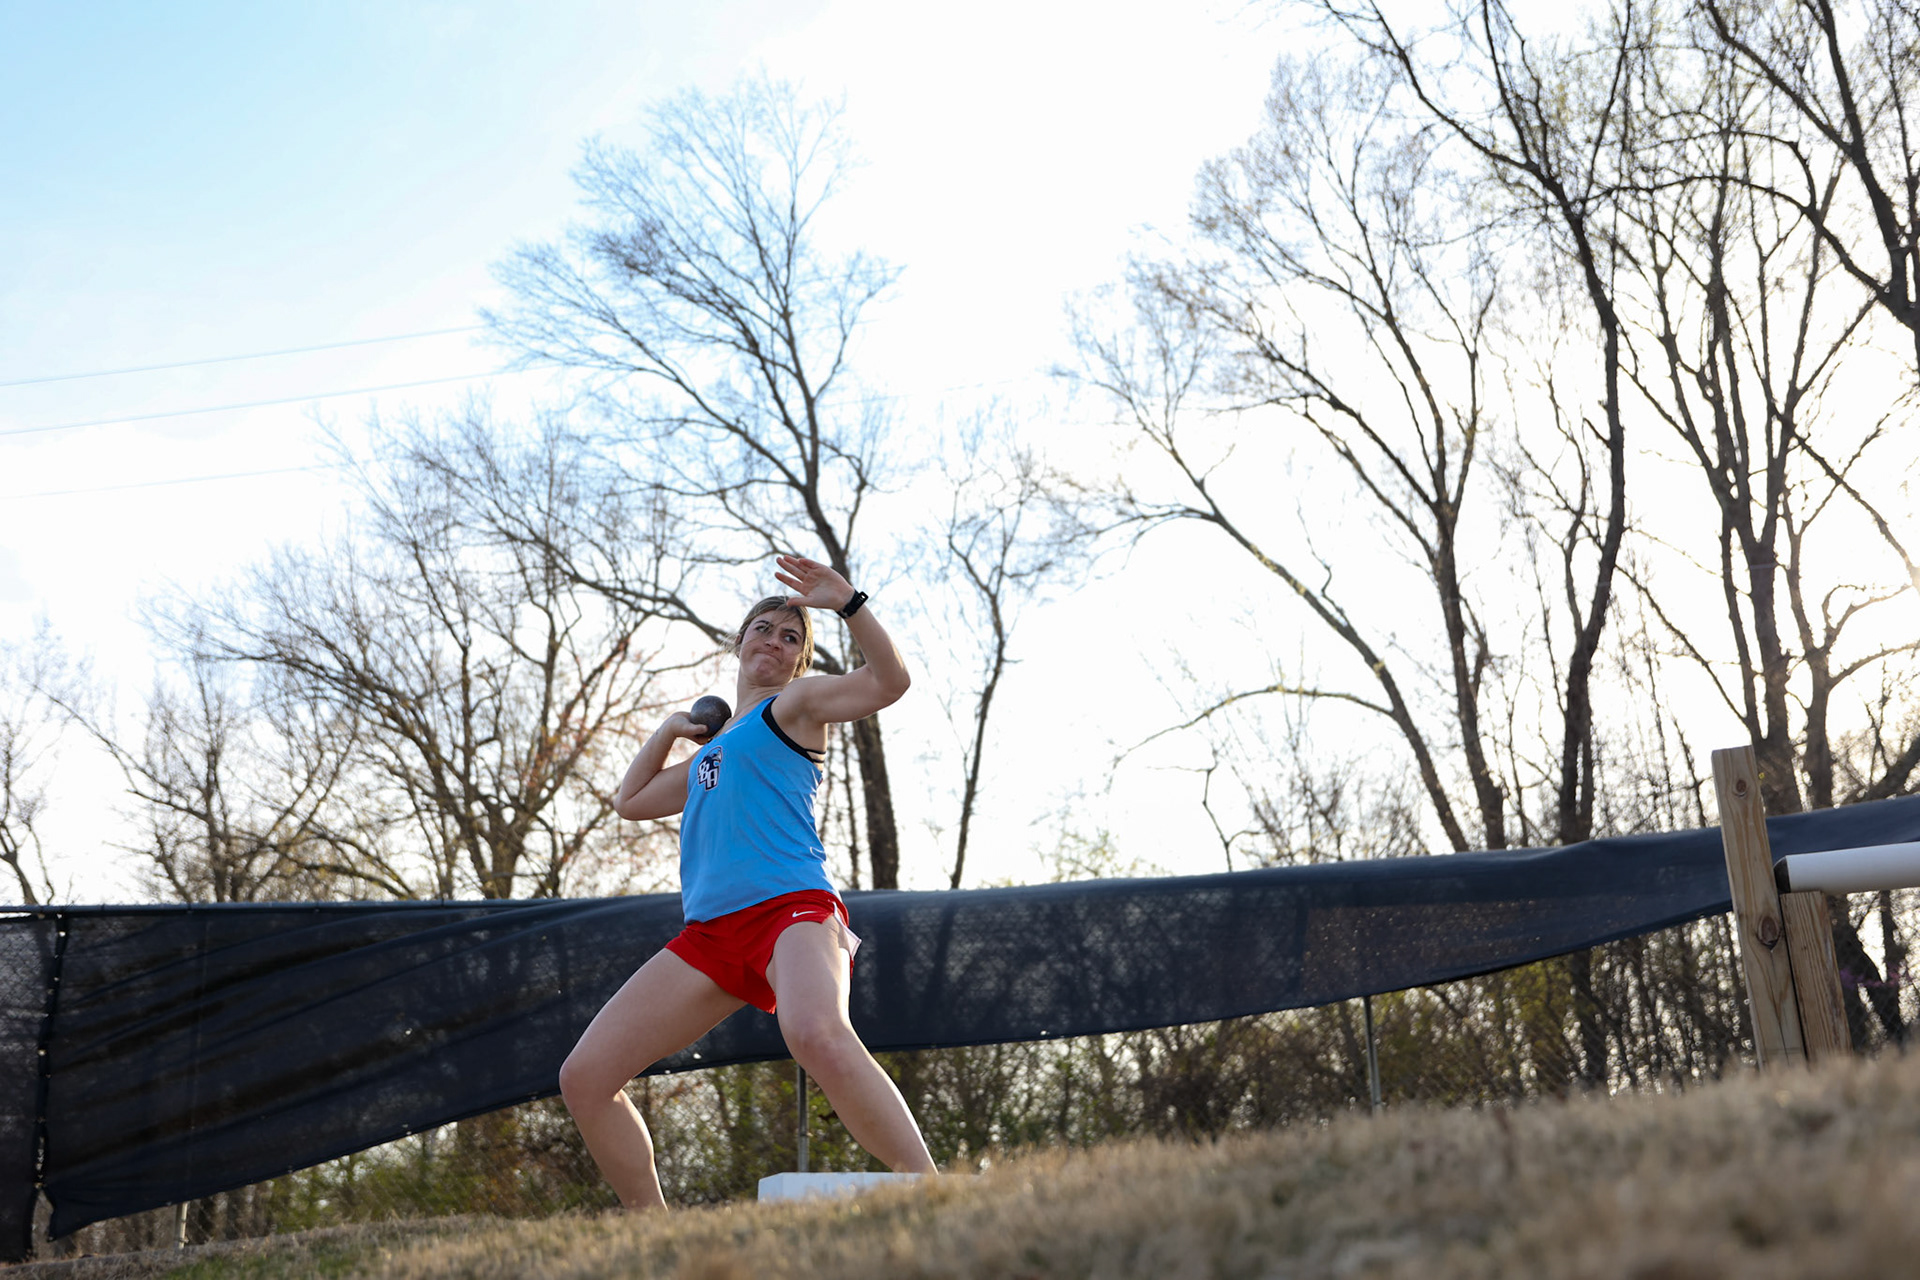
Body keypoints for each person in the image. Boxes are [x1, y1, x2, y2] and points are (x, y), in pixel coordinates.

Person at [558, 553, 937, 1208]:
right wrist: (672, 730)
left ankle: (931, 1195)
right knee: (585, 1078)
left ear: (797, 661)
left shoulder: (795, 706)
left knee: (814, 1031)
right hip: (710, 937)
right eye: (764, 628)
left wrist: (848, 603)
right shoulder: (711, 752)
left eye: (791, 637)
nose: (775, 641)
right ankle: (659, 1244)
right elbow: (633, 799)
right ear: (741, 642)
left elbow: (889, 682)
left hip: (793, 907)